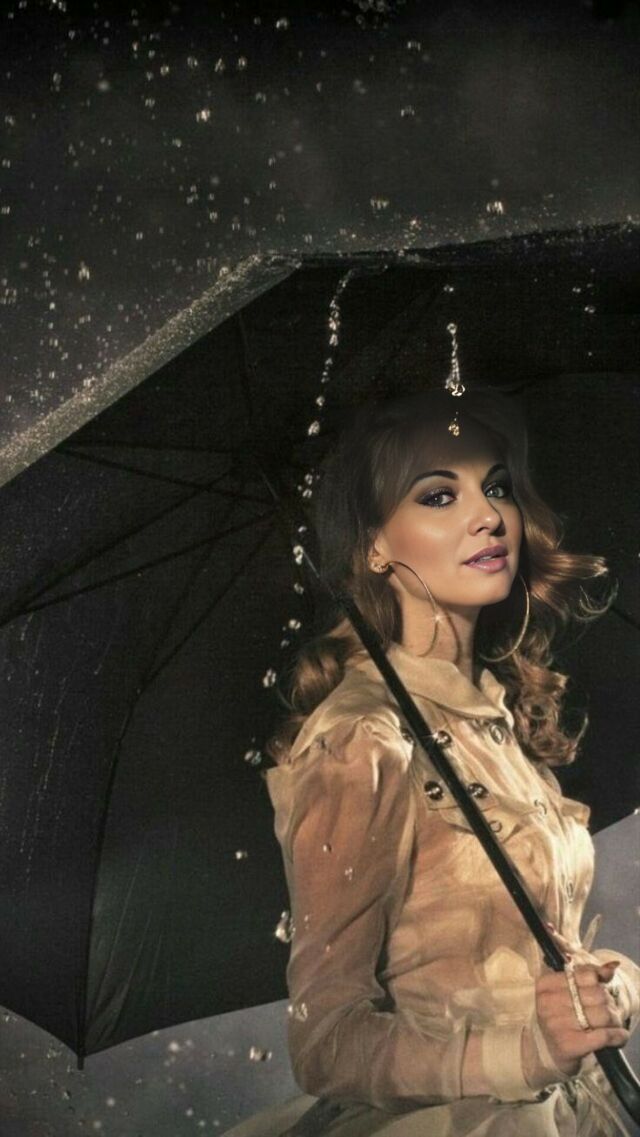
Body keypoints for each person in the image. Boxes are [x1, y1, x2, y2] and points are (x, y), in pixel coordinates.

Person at [225, 387, 639, 1136]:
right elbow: (326, 1044)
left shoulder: (495, 719)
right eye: (439, 495)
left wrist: (613, 990)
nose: (489, 517)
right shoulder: (363, 740)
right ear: (375, 546)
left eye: (497, 487)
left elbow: (544, 950)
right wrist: (524, 1052)